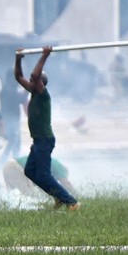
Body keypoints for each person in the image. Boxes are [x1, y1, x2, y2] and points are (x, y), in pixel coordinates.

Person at [14, 46, 79, 210]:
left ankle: (71, 202)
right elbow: (18, 76)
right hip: (38, 141)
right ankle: (58, 196)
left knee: (44, 174)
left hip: (45, 140)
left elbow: (36, 75)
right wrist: (19, 58)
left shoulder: (43, 94)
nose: (30, 81)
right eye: (30, 80)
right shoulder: (33, 91)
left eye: (33, 80)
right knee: (29, 171)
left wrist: (44, 55)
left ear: (41, 83)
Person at [3, 155, 74, 197]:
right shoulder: (60, 168)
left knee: (11, 194)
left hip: (8, 165)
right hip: (17, 167)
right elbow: (66, 183)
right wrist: (76, 195)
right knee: (28, 196)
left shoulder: (48, 169)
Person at [0, 68, 27, 165]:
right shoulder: (8, 89)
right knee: (14, 141)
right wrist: (27, 90)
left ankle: (10, 160)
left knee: (14, 141)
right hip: (10, 119)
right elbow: (19, 99)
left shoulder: (7, 88)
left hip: (12, 119)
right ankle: (8, 161)